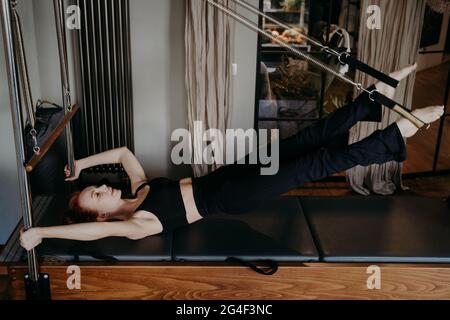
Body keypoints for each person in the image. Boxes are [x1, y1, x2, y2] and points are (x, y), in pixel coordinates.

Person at [20, 64, 445, 251]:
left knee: (305, 140)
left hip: (229, 173)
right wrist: (44, 234)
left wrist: (80, 166)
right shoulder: (134, 225)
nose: (103, 187)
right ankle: (399, 133)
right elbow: (86, 237)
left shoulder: (137, 188)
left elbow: (123, 153)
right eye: (96, 195)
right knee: (314, 165)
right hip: (235, 195)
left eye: (96, 187)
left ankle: (372, 100)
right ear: (100, 217)